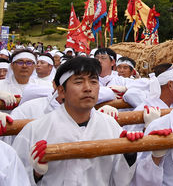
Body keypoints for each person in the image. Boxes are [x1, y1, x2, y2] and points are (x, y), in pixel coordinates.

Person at [12, 57, 135, 185]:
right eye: (78, 82)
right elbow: (15, 177)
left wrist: (129, 154)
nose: (88, 88)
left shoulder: (112, 127)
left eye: (93, 81)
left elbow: (121, 180)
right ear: (61, 91)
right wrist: (36, 174)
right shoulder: (35, 130)